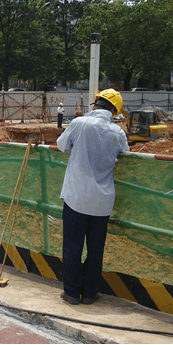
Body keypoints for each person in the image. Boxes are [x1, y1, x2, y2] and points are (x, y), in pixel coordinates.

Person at [56, 88, 129, 305]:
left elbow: (61, 145)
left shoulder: (80, 124)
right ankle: (89, 293)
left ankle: (71, 292)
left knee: (72, 246)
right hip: (102, 202)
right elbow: (124, 152)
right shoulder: (118, 132)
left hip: (77, 197)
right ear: (115, 111)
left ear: (95, 105)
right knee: (95, 249)